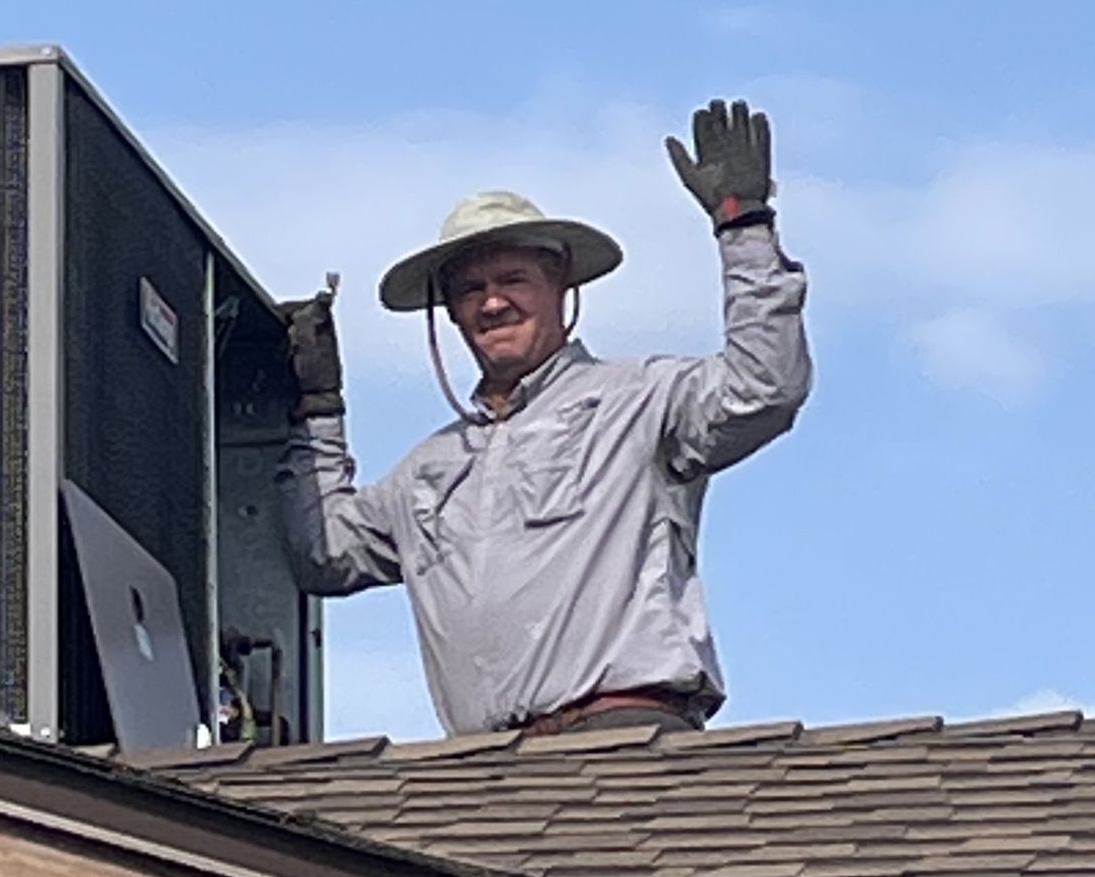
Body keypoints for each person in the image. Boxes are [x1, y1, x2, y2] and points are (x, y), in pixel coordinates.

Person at [277, 100, 810, 738]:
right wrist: (319, 410)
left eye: (513, 280)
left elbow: (765, 387)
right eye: (470, 290)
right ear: (447, 313)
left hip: (626, 738)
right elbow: (325, 553)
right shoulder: (430, 469)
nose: (493, 302)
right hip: (489, 772)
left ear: (561, 287)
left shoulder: (638, 400)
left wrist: (743, 227)